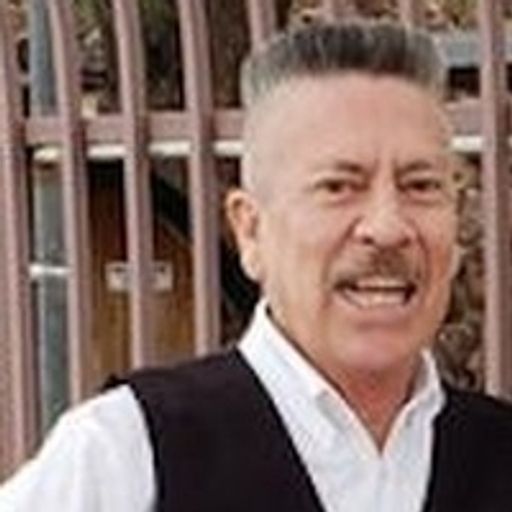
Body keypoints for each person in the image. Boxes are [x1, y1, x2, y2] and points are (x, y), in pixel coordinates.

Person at [2, 19, 512, 512]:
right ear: (249, 229)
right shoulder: (127, 453)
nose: (386, 227)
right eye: (339, 186)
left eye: (420, 186)